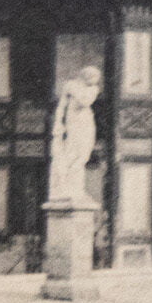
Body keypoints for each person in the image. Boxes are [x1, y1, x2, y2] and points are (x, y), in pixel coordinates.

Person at [48, 66, 102, 203]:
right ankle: (65, 187)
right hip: (73, 122)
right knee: (71, 152)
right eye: (94, 78)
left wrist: (75, 91)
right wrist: (58, 122)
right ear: (86, 76)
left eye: (97, 79)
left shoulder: (93, 89)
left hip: (86, 122)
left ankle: (76, 189)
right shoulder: (70, 85)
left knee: (84, 154)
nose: (96, 81)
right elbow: (61, 106)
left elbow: (84, 102)